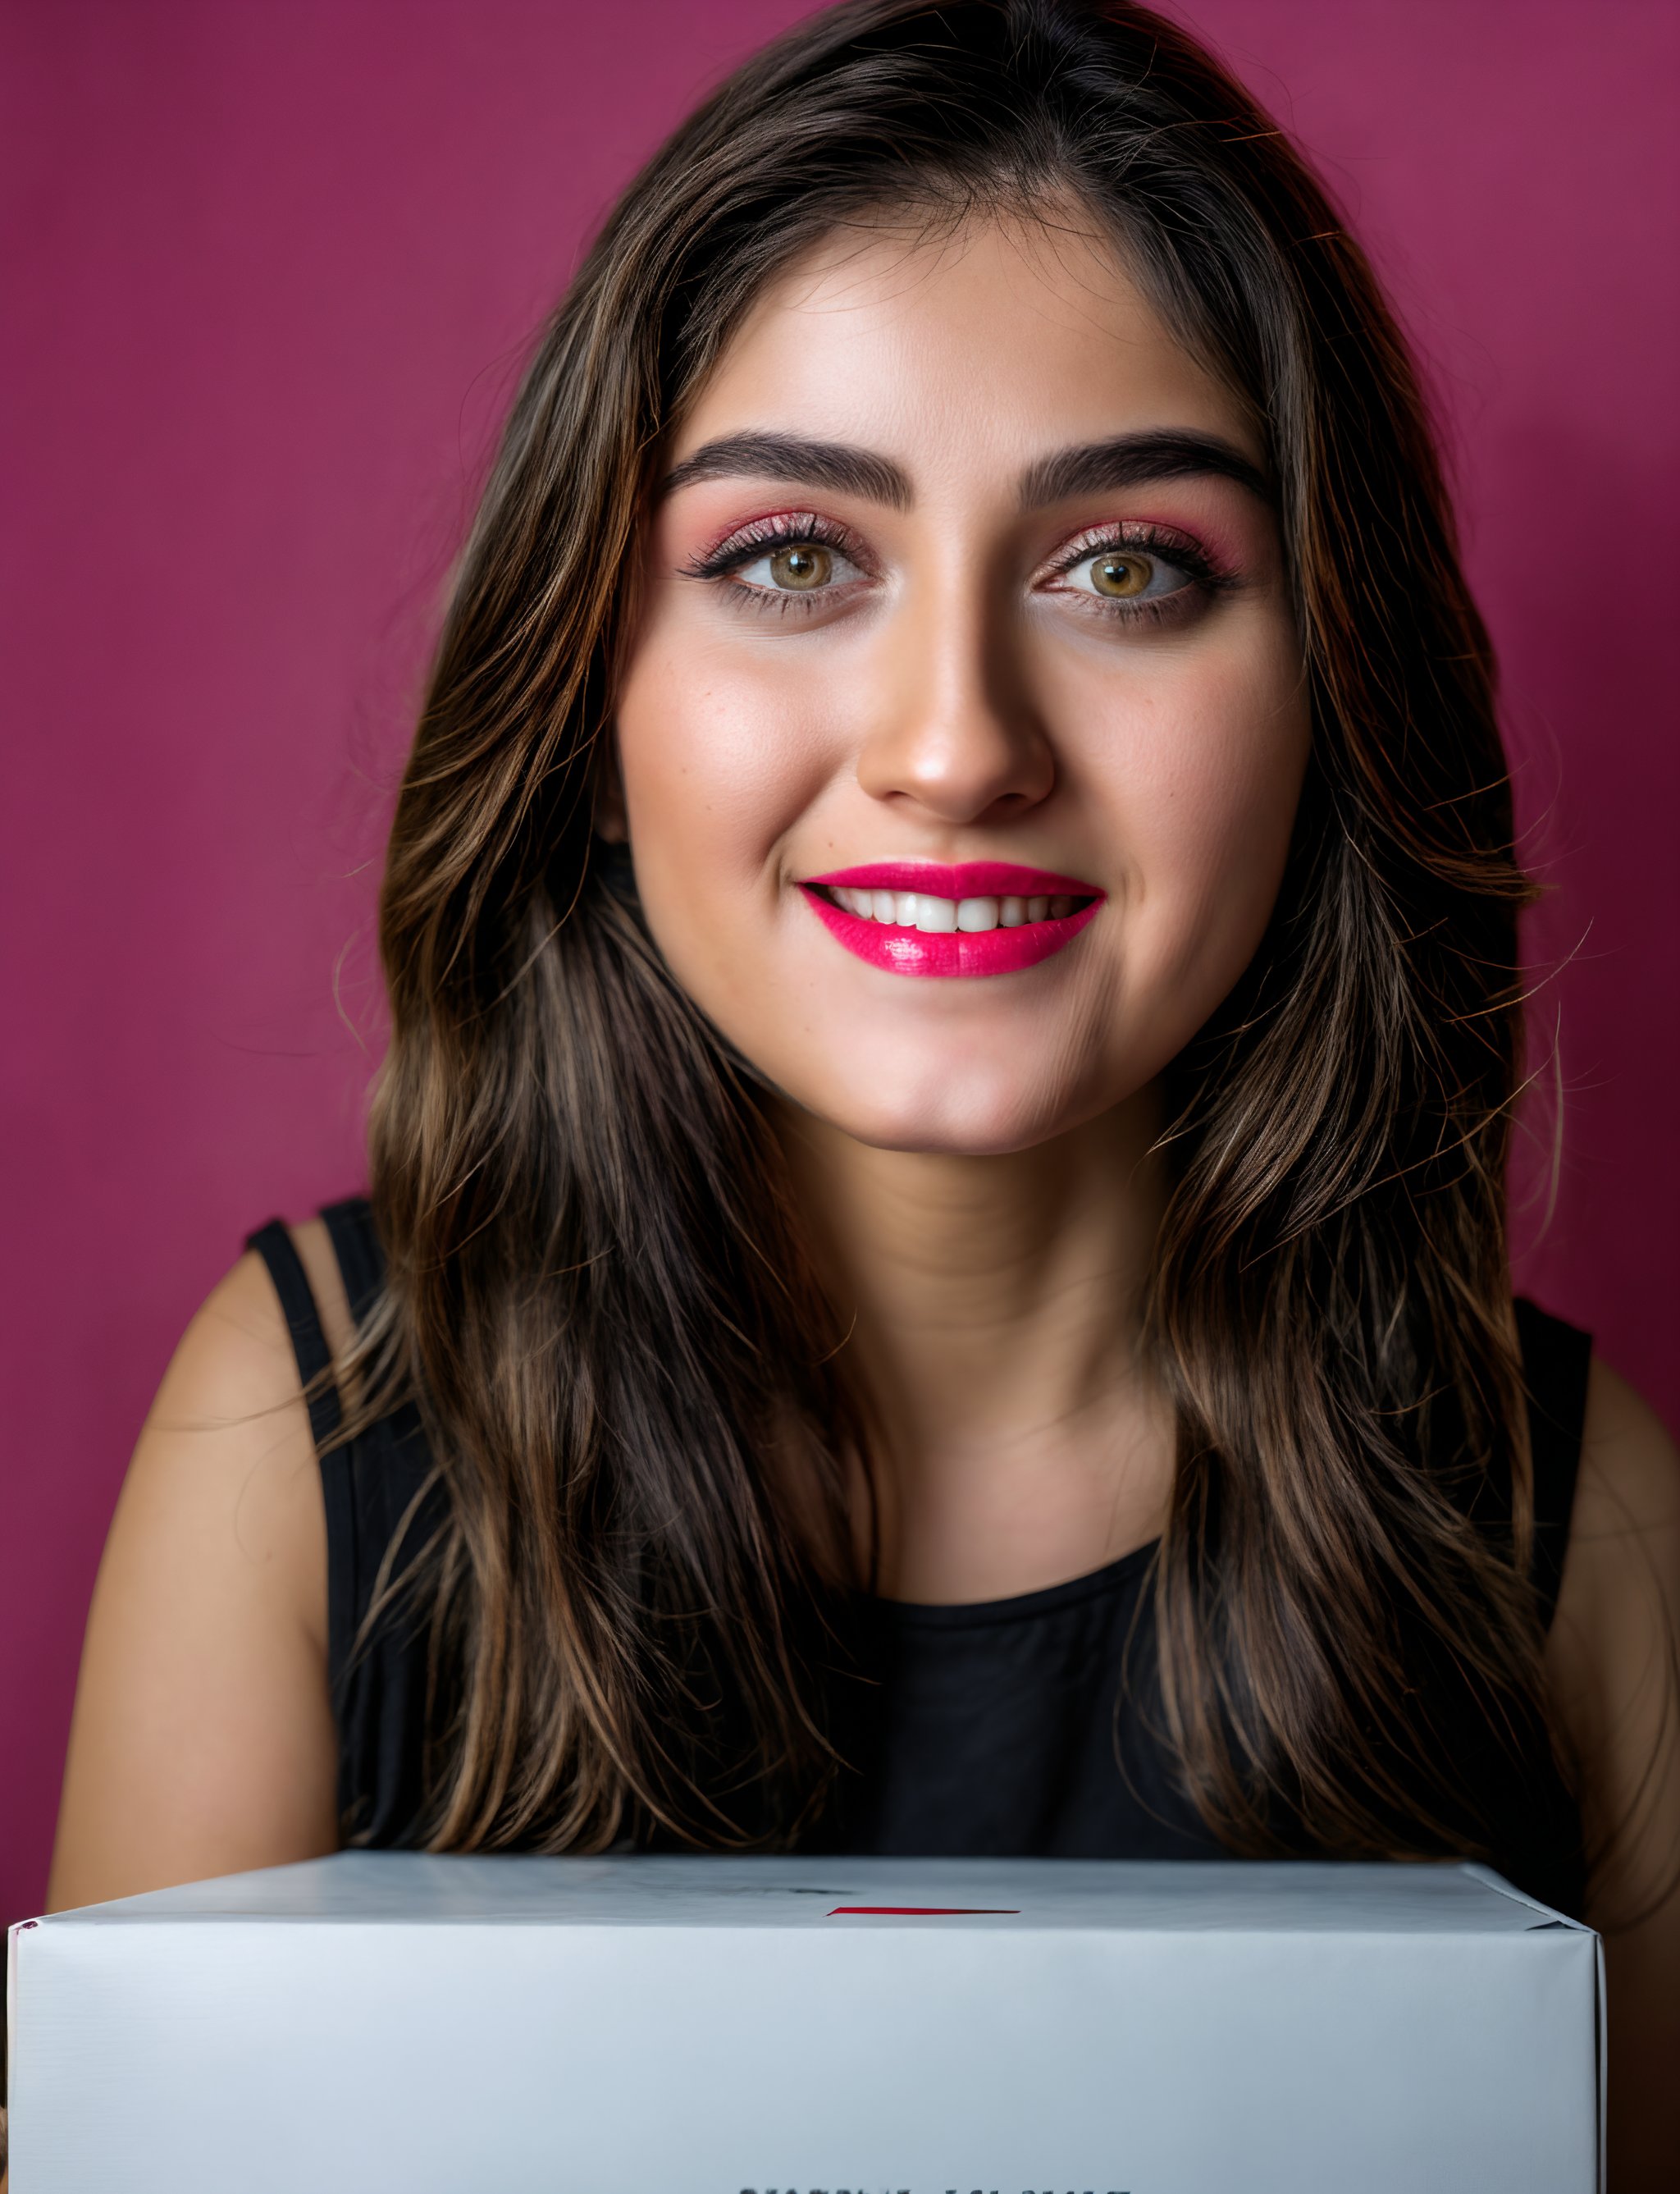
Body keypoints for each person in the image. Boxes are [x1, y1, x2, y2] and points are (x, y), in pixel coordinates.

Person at [43, 0, 1678, 2181]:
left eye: (1128, 569)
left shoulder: (1573, 1522)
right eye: (795, 558)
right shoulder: (298, 1431)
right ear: (591, 715)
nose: (954, 742)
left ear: (1328, 700)